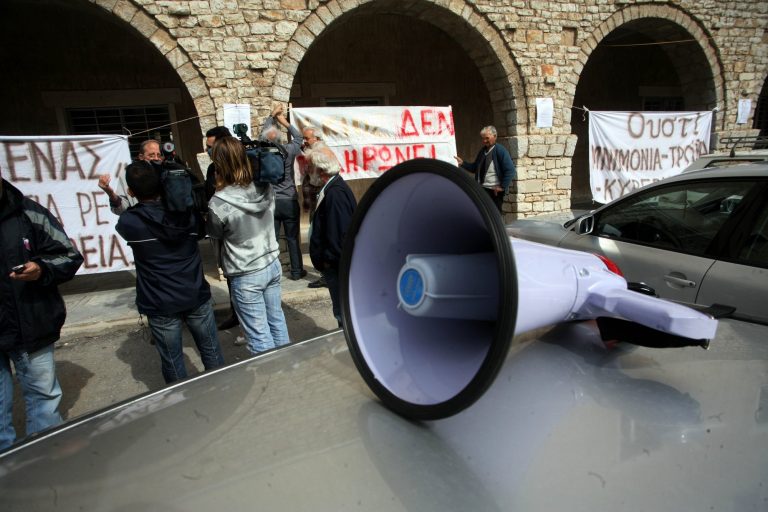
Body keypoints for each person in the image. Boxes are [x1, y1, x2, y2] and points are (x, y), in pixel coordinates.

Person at [115, 161, 225, 384]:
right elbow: (202, 229)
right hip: (195, 294)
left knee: (173, 362)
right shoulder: (187, 217)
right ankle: (222, 390)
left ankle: (179, 404)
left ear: (131, 191)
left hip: (159, 301)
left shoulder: (130, 221)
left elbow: (124, 224)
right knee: (212, 351)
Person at [0, 172, 84, 450]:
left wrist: (41, 269)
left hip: (32, 323)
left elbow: (68, 256)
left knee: (44, 400)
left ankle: (45, 465)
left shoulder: (29, 213)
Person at [207, 136, 291, 354]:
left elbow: (216, 235)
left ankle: (274, 383)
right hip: (271, 263)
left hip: (245, 273)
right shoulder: (265, 187)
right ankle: (290, 371)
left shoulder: (219, 203)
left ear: (218, 164)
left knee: (258, 336)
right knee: (277, 322)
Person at [306, 148, 357, 327]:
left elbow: (339, 235)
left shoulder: (335, 194)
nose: (307, 170)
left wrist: (328, 262)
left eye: (310, 167)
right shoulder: (332, 189)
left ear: (320, 170)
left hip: (338, 267)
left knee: (344, 315)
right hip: (336, 267)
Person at [260, 104, 307, 281]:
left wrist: (271, 117)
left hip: (271, 202)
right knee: (292, 238)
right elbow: (299, 137)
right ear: (280, 139)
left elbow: (261, 136)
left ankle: (274, 274)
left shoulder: (263, 153)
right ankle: (296, 271)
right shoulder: (288, 150)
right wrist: (284, 121)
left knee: (272, 240)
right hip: (289, 200)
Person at [202, 126, 240, 331]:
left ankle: (244, 319)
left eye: (211, 146)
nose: (209, 151)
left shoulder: (241, 168)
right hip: (219, 228)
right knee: (229, 275)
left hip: (236, 232)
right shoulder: (211, 170)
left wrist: (219, 208)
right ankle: (236, 313)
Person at [455, 125, 516, 213]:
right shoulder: (483, 151)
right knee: (484, 214)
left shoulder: (500, 151)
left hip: (494, 192)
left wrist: (502, 187)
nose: (484, 141)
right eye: (483, 138)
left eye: (487, 138)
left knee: (495, 215)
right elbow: (475, 168)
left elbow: (510, 170)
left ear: (495, 136)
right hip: (483, 189)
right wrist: (462, 163)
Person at [98, 139, 165, 215]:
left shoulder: (167, 174)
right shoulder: (129, 175)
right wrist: (110, 193)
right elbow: (121, 209)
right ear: (141, 157)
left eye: (158, 155)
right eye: (151, 155)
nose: (156, 158)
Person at [298, 125, 328, 289]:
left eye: (307, 138)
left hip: (319, 197)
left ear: (316, 138)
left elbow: (318, 178)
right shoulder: (313, 151)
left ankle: (326, 274)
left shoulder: (320, 152)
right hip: (315, 197)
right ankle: (326, 273)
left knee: (318, 235)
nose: (305, 141)